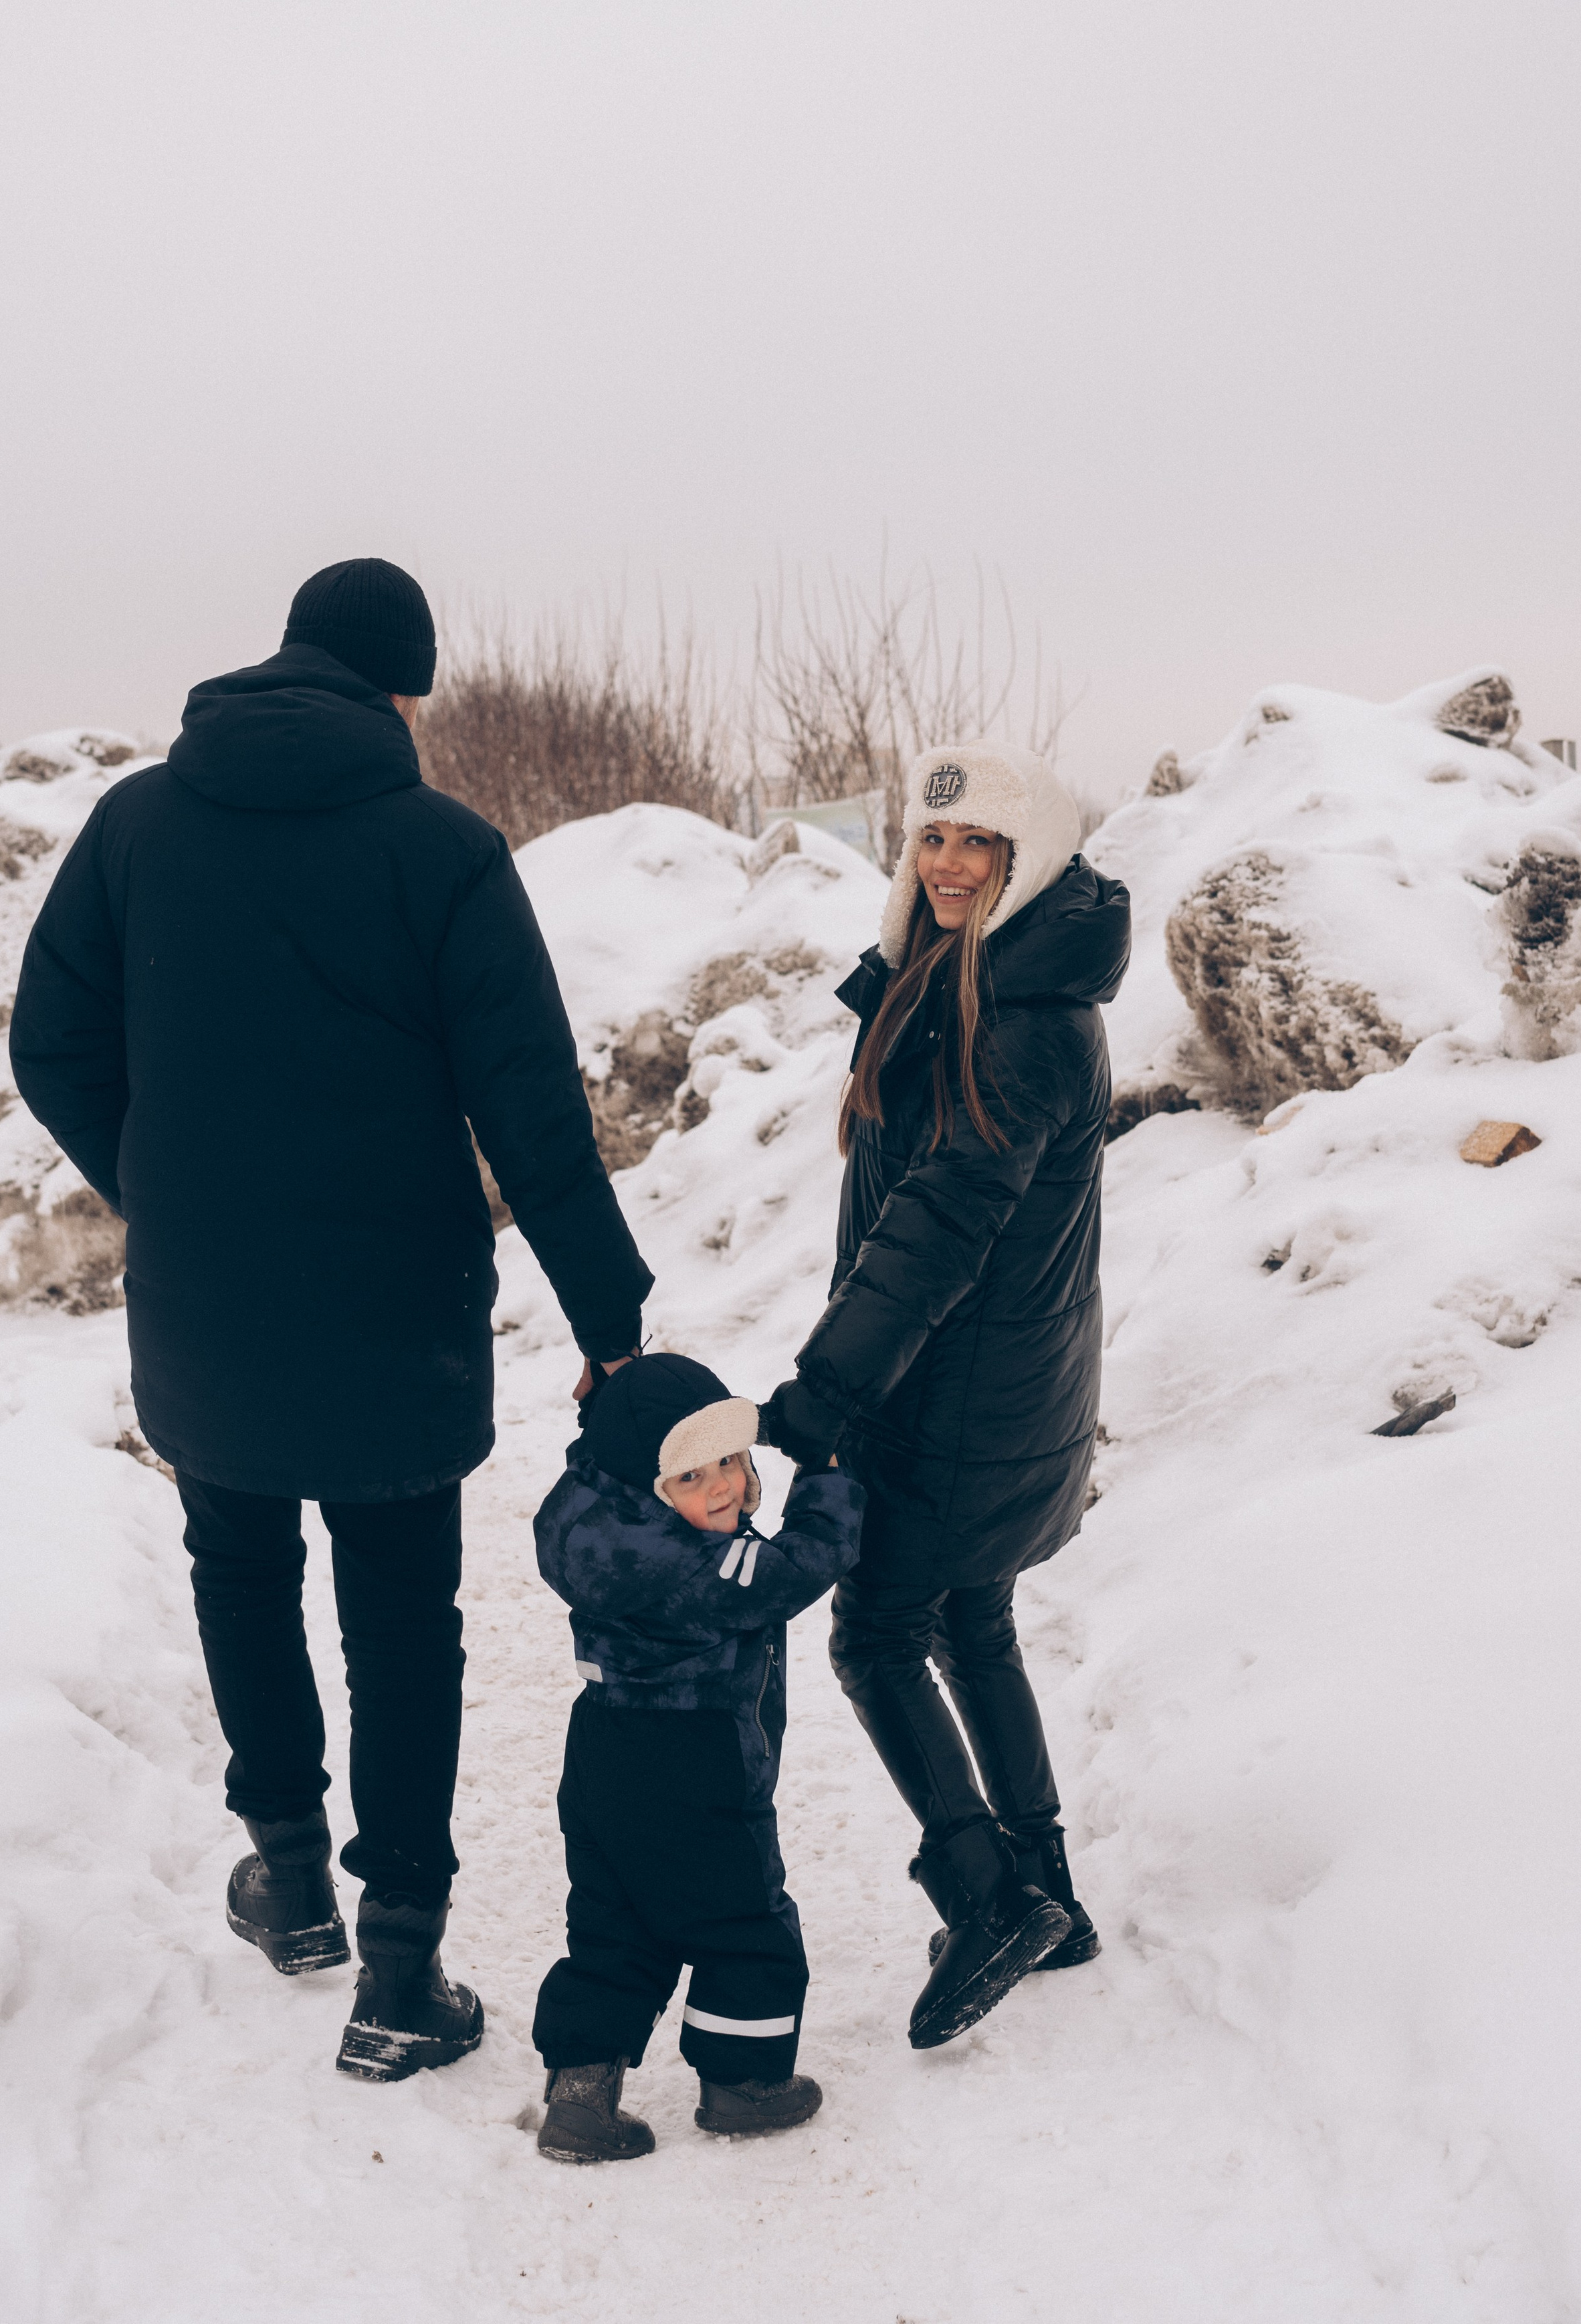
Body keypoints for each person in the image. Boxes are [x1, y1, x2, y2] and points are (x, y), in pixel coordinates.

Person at [8, 558, 652, 2083]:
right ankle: (402, 1967)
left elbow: (52, 1043)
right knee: (399, 1618)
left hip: (205, 1295)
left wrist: (157, 1185)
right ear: (402, 689)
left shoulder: (133, 826)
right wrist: (611, 1317)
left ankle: (288, 1880)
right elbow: (534, 1115)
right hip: (393, 1300)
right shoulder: (440, 849)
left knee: (237, 1563)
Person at [759, 739, 1131, 2051]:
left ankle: (982, 1899)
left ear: (1027, 861)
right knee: (969, 1615)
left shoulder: (1020, 1019)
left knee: (874, 1631)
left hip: (958, 1387)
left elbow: (932, 1228)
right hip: (987, 1373)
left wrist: (820, 1390)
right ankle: (1046, 1890)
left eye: (980, 844)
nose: (951, 864)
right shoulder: (956, 981)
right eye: (933, 839)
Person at [531, 1352, 861, 2161]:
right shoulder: (694, 1566)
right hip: (699, 1761)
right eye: (689, 1477)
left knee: (613, 1923)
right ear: (649, 1490)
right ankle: (743, 2082)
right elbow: (797, 1568)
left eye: (731, 1462)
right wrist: (821, 1471)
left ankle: (581, 2091)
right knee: (743, 1919)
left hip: (604, 1755)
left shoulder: (594, 1525)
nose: (720, 1488)